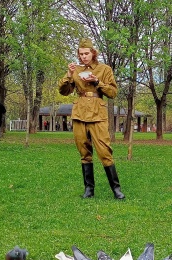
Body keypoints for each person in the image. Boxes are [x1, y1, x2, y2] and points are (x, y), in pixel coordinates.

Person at [58, 38, 125, 200]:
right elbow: (64, 91)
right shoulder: (75, 70)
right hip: (79, 114)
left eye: (86, 53)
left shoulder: (104, 69)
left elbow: (112, 93)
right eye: (81, 54)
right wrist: (68, 75)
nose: (83, 57)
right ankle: (89, 189)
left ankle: (116, 189)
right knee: (84, 152)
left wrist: (97, 81)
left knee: (104, 151)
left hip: (98, 114)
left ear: (93, 53)